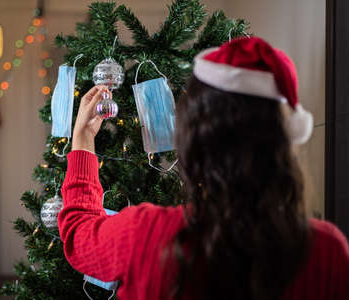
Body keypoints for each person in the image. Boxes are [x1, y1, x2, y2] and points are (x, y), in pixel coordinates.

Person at [58, 37, 349, 300]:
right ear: (284, 145)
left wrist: (83, 138)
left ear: (191, 139)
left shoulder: (146, 235)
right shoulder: (328, 252)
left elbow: (78, 233)